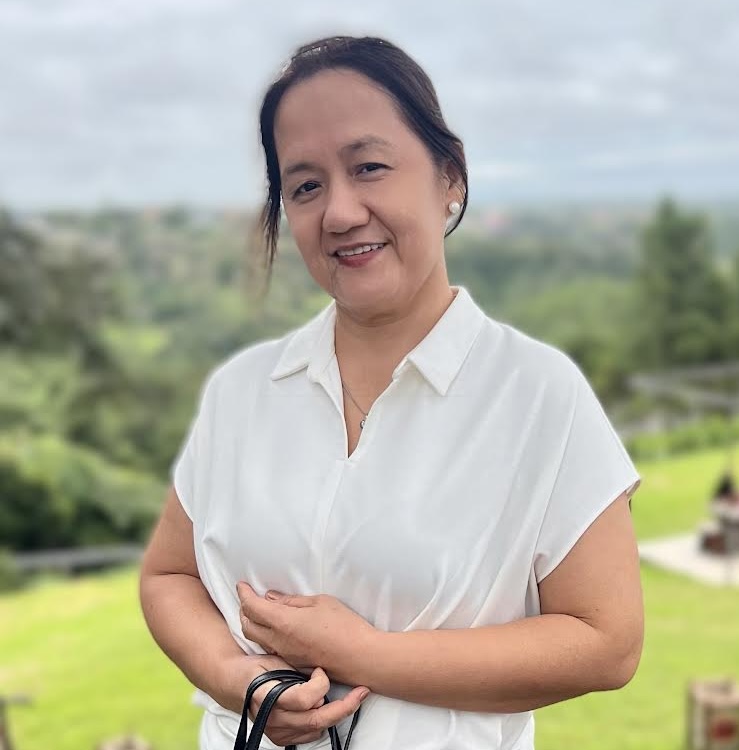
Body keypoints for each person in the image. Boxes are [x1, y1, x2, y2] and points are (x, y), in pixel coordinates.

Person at [139, 35, 644, 750]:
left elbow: (606, 642)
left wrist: (362, 653)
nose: (340, 212)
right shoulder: (241, 392)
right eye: (305, 186)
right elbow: (170, 575)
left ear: (449, 176)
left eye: (368, 167)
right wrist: (240, 680)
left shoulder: (537, 394)